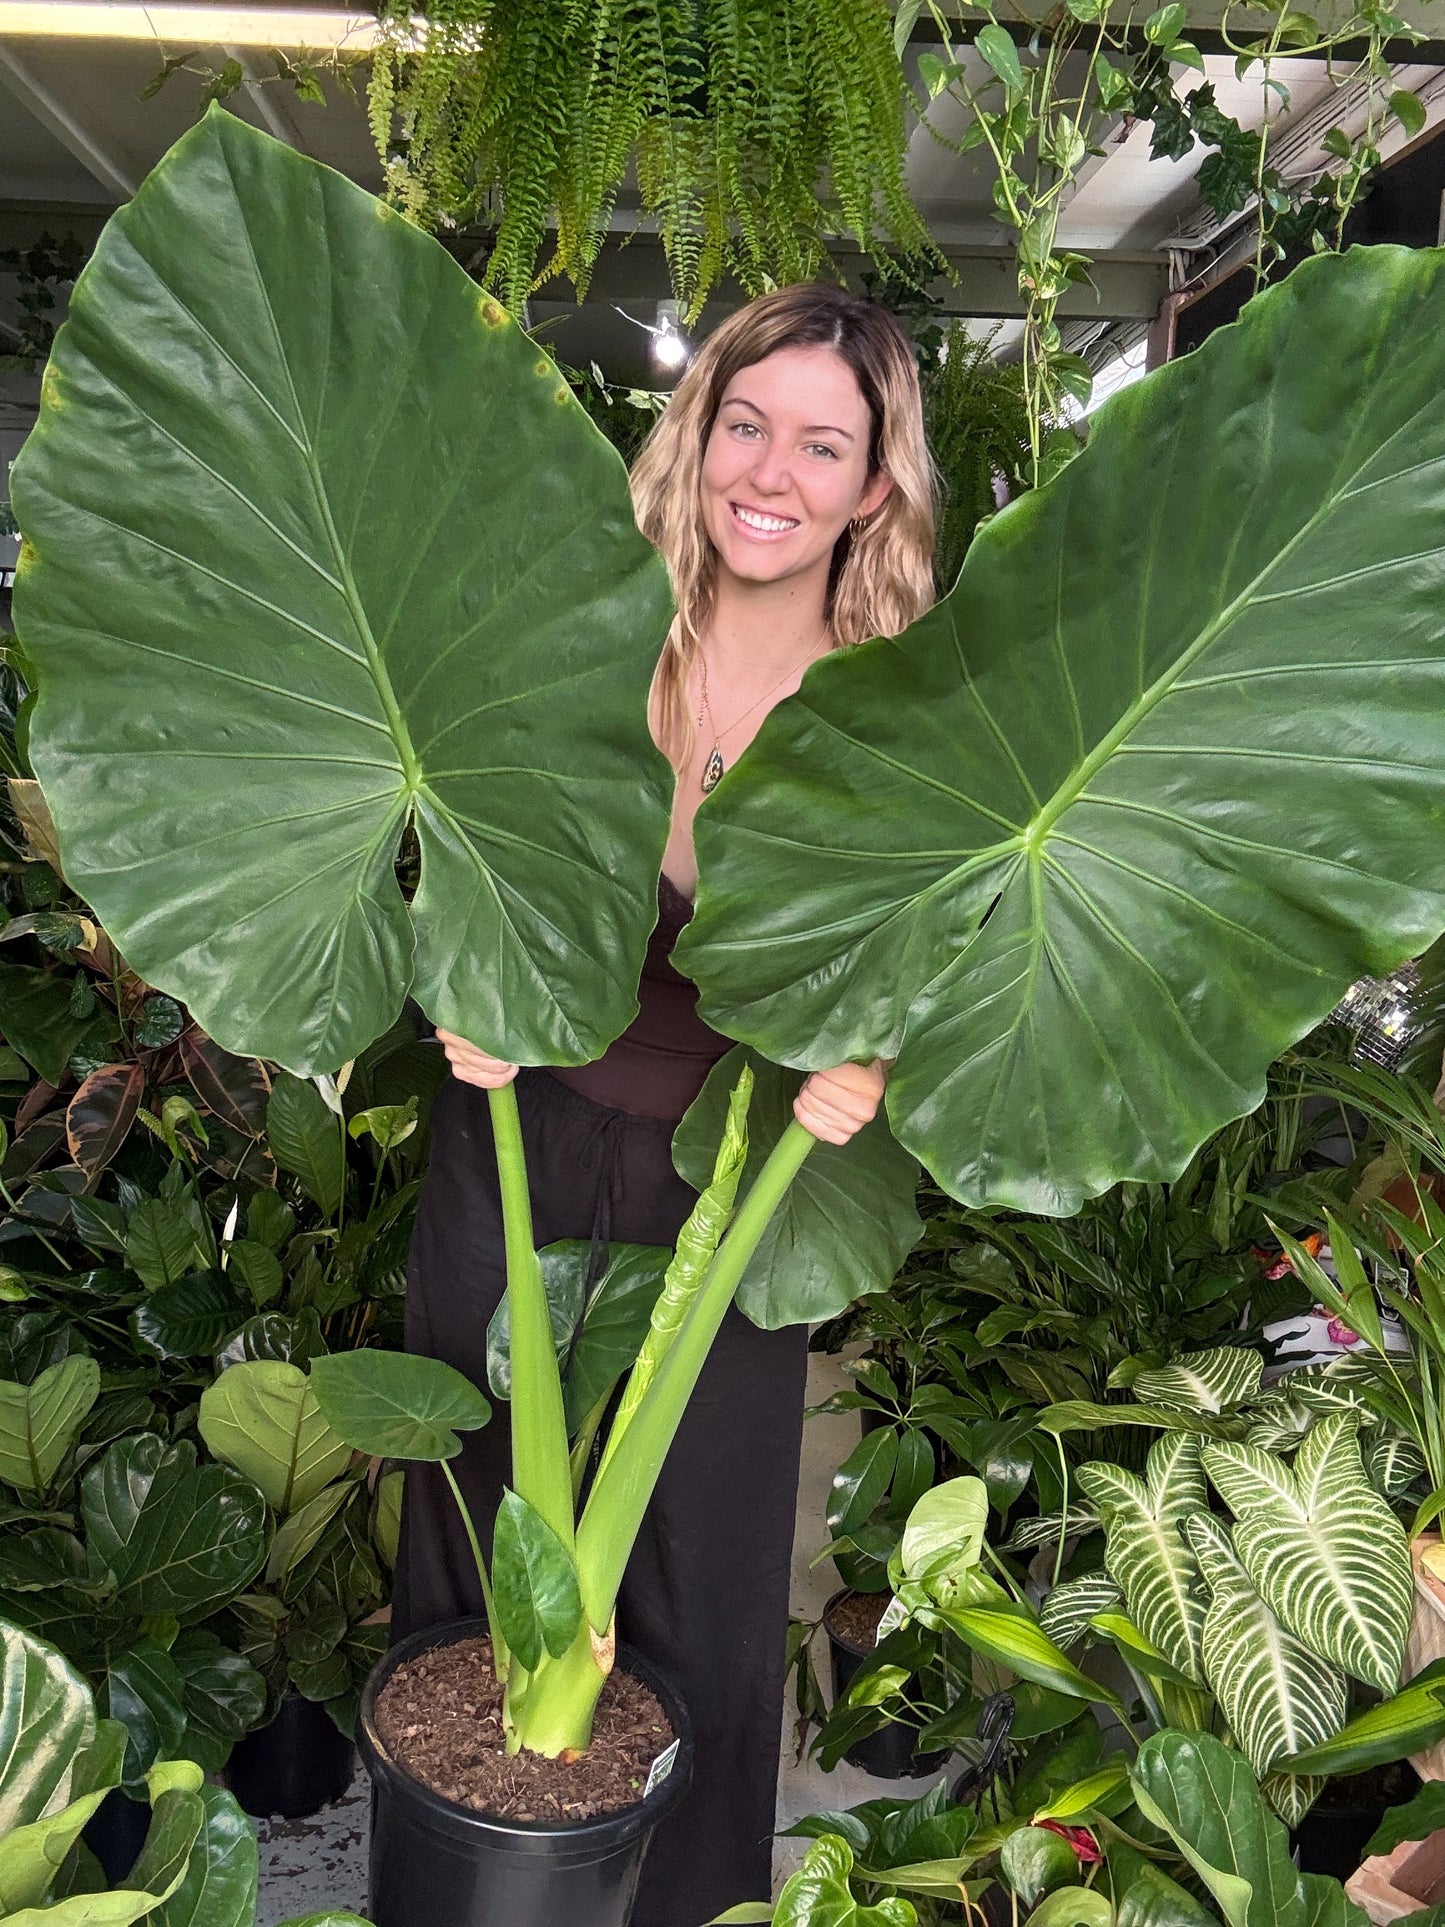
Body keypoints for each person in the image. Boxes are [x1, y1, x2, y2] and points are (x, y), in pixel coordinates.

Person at [393, 280, 939, 1926]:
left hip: (742, 1171)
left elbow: (965, 936)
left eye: (821, 445)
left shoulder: (900, 703)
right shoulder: (588, 626)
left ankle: (676, 1905)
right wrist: (458, 981)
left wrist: (880, 1057)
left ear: (871, 487)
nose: (770, 472)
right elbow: (444, 827)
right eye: (744, 423)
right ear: (695, 435)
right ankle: (460, 1880)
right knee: (476, 1506)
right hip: (518, 1130)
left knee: (698, 1555)